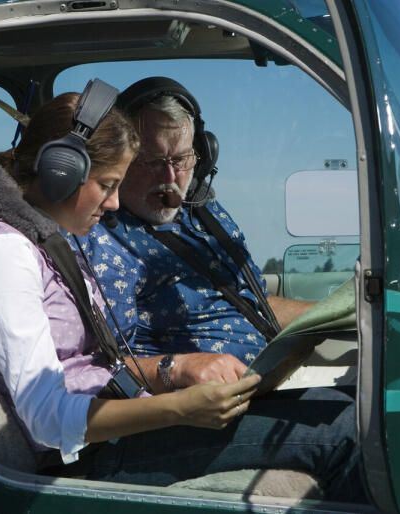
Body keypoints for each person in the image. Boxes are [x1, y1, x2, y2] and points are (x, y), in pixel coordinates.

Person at [0, 88, 364, 502]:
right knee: (343, 432)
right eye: (108, 185)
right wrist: (182, 408)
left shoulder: (44, 243)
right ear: (62, 172)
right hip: (94, 454)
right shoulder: (3, 256)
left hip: (125, 423)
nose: (113, 204)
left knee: (352, 409)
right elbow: (48, 420)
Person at [72, 77, 315, 385]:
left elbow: (254, 303)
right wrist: (175, 368)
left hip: (262, 384)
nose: (170, 176)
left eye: (181, 159)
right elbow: (99, 368)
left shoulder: (203, 212)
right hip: (187, 414)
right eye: (151, 161)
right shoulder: (101, 238)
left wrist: (333, 315)